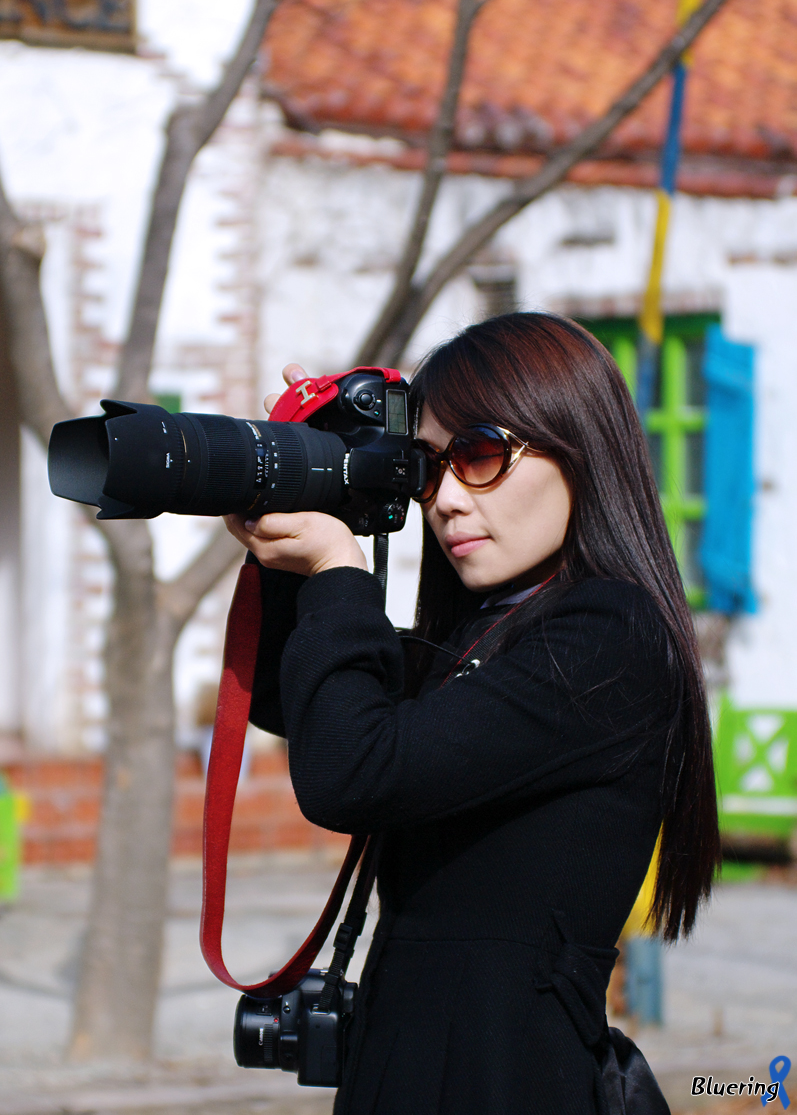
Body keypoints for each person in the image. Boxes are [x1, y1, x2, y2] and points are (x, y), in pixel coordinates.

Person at [224, 312, 720, 1115]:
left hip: (505, 1078)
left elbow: (354, 772)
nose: (447, 499)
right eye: (426, 468)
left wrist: (337, 571)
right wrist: (307, 502)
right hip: (417, 1066)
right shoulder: (491, 629)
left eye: (480, 455)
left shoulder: (609, 634)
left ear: (576, 447)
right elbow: (299, 699)